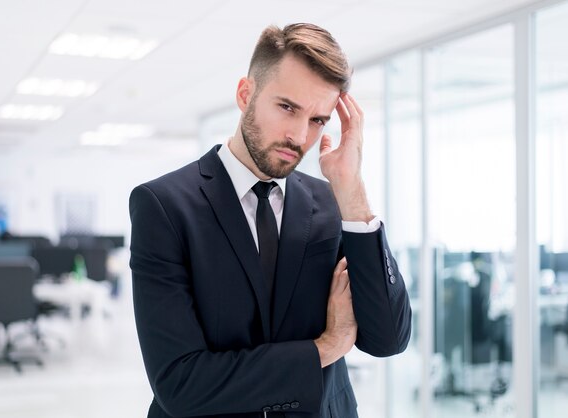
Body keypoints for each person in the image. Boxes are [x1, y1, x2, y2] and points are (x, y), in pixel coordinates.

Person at [129, 23, 411, 418]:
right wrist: (326, 348)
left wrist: (352, 190)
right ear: (246, 94)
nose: (298, 135)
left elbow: (388, 338)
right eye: (287, 107)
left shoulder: (332, 204)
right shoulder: (164, 206)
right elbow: (180, 383)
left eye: (317, 120)